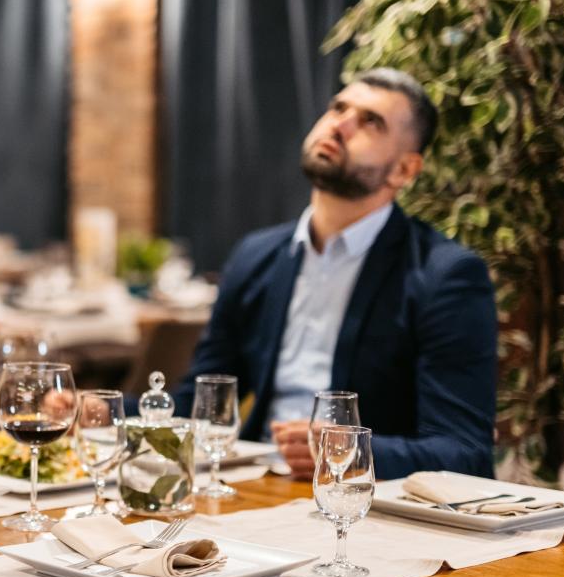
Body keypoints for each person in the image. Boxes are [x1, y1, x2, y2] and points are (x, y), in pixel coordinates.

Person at [172, 68, 496, 481]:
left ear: (403, 170)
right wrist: (98, 409)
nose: (339, 125)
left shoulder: (445, 276)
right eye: (338, 107)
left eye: (370, 122)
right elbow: (196, 404)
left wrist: (353, 451)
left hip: (362, 506)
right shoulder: (257, 255)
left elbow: (466, 450)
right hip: (251, 484)